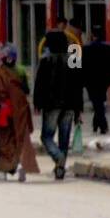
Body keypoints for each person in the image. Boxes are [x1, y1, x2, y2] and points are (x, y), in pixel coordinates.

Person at [0, 44, 39, 182]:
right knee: (18, 141)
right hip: (20, 112)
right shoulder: (21, 71)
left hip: (3, 113)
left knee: (4, 143)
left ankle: (4, 172)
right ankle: (19, 166)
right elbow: (26, 90)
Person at [33, 29, 83, 180]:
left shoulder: (46, 59)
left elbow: (39, 84)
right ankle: (60, 169)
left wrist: (37, 103)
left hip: (51, 105)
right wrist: (78, 109)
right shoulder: (73, 59)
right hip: (69, 106)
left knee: (46, 136)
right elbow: (77, 86)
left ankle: (58, 157)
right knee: (64, 138)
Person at [83, 29, 110, 136]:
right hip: (103, 80)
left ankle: (102, 126)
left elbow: (81, 66)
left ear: (92, 36)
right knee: (99, 102)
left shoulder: (85, 49)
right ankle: (96, 125)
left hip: (90, 80)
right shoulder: (108, 48)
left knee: (97, 103)